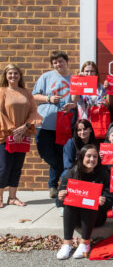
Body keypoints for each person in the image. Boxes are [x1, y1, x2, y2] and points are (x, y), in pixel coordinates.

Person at [56, 144, 112, 259]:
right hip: (75, 217)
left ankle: (85, 243)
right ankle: (67, 244)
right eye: (89, 156)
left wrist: (103, 200)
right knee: (69, 203)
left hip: (96, 217)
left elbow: (110, 200)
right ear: (82, 157)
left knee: (89, 202)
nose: (92, 159)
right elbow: (58, 203)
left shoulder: (103, 174)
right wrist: (61, 197)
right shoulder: (71, 173)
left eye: (95, 157)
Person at [33, 51, 75, 198]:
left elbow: (78, 100)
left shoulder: (73, 79)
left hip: (63, 125)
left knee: (60, 154)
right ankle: (58, 177)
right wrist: (49, 98)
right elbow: (34, 95)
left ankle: (53, 186)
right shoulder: (46, 77)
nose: (58, 64)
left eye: (60, 61)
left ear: (66, 61)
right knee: (47, 153)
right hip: (44, 123)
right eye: (55, 62)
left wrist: (73, 105)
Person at [0, 64, 41, 207]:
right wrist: (13, 131)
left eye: (16, 73)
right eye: (10, 73)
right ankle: (0, 197)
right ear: (6, 76)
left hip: (23, 134)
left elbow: (34, 112)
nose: (13, 76)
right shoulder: (2, 91)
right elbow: (0, 113)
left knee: (17, 166)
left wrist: (25, 127)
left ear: (20, 76)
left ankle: (12, 197)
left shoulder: (26, 93)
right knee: (4, 167)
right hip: (5, 135)